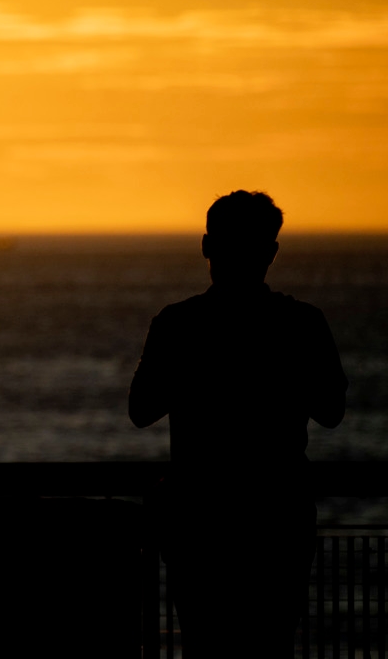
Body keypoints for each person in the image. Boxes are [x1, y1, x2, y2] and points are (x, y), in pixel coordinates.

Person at [129, 191, 347, 657]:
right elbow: (332, 411)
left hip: (201, 518)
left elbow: (141, 410)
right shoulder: (303, 323)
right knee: (272, 642)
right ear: (270, 252)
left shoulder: (178, 323)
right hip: (277, 515)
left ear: (207, 246)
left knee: (204, 643)